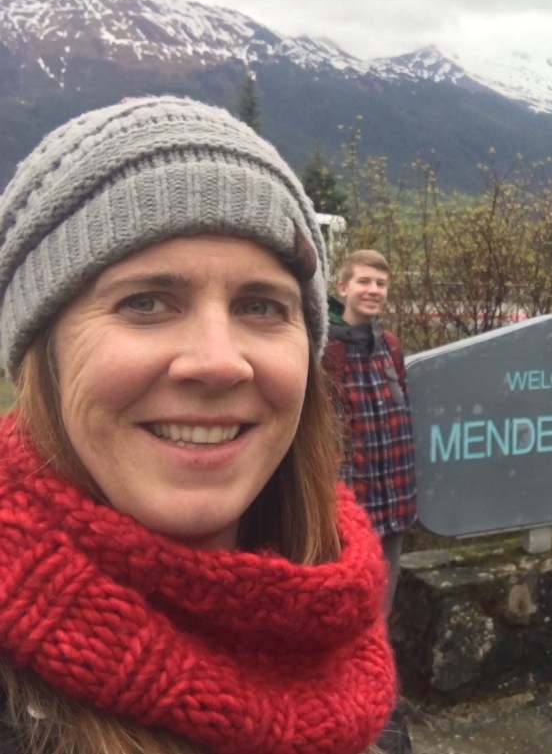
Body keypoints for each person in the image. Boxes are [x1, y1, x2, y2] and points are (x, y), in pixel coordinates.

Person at [0, 97, 395, 753]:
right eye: (146, 302)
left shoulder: (341, 639)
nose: (218, 361)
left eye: (261, 307)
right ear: (42, 348)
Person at [324, 250, 416, 615]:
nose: (373, 290)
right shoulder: (322, 349)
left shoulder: (390, 346)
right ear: (342, 287)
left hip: (394, 502)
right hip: (345, 509)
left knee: (383, 610)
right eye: (364, 281)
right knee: (344, 607)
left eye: (381, 283)